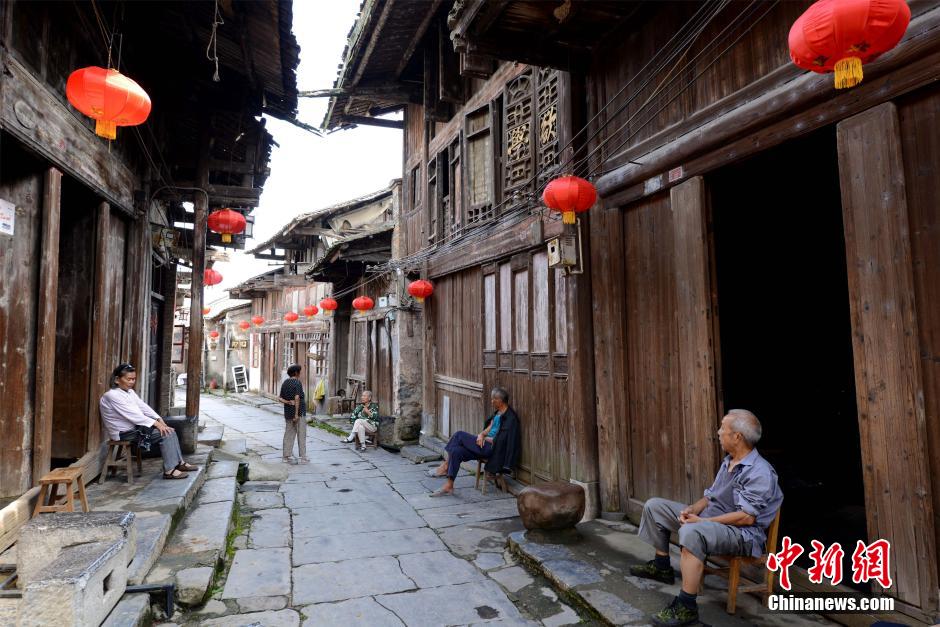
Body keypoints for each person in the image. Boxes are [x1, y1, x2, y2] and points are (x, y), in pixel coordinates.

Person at [631, 409, 783, 626]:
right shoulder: (729, 461)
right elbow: (710, 497)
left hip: (742, 534)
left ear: (737, 437)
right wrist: (692, 509)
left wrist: (701, 522)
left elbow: (746, 518)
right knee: (655, 506)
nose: (718, 432)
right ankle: (662, 566)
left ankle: (686, 607)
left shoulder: (760, 472)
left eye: (722, 428)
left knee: (692, 531)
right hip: (712, 522)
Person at [99, 363, 198, 480]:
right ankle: (169, 471)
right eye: (128, 379)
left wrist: (159, 419)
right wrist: (157, 424)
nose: (132, 382)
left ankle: (179, 463)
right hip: (123, 433)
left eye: (133, 379)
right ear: (117, 380)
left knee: (169, 430)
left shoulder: (129, 392)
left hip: (134, 428)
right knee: (165, 434)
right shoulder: (112, 395)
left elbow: (143, 407)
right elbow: (134, 415)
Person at [428, 387, 521, 497]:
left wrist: (484, 438)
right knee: (456, 452)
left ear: (500, 401)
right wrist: (481, 435)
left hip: (492, 450)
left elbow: (500, 441)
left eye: (493, 399)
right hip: (483, 445)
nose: (491, 401)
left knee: (459, 435)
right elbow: (489, 429)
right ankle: (449, 485)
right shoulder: (498, 413)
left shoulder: (510, 419)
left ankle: (445, 466)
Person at [278, 364, 309, 464]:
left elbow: (280, 398)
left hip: (288, 413)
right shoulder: (297, 382)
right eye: (299, 371)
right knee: (301, 434)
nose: (300, 373)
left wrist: (287, 402)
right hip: (299, 413)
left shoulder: (285, 382)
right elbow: (297, 398)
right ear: (296, 372)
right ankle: (303, 458)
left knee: (288, 434)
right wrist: (296, 414)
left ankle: (285, 457)